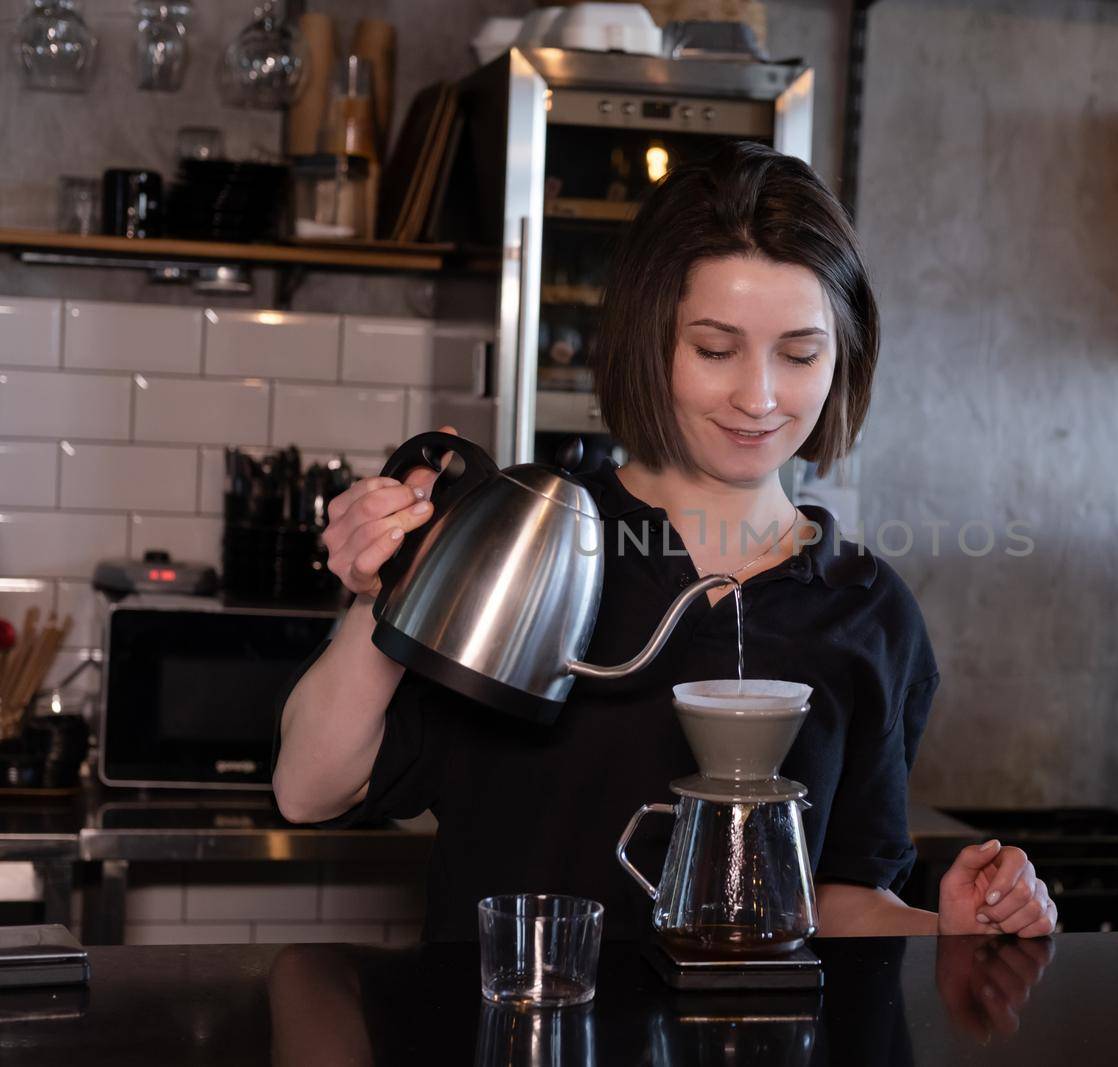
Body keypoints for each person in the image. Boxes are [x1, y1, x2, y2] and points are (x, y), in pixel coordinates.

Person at [273, 141, 1057, 942]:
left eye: (800, 354)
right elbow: (310, 790)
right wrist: (383, 592)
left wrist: (949, 930)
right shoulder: (531, 549)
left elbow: (836, 895)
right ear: (650, 341)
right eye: (715, 350)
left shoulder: (867, 610)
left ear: (843, 357)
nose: (758, 396)